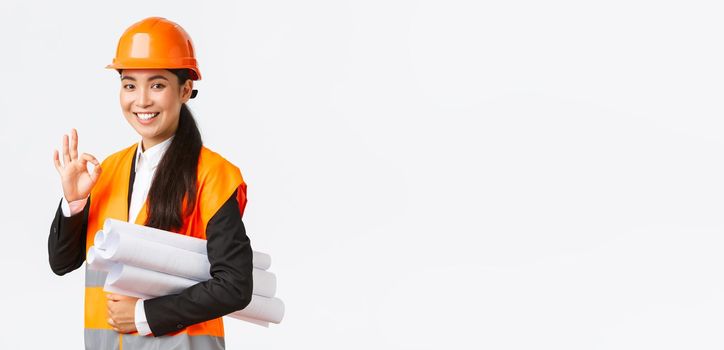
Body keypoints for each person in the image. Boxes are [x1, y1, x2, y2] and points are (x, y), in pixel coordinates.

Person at [48, 17, 253, 350]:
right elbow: (62, 263)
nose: (141, 100)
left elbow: (235, 285)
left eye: (157, 85)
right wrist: (74, 203)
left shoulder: (213, 174)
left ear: (185, 90)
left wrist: (144, 314)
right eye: (130, 85)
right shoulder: (107, 170)